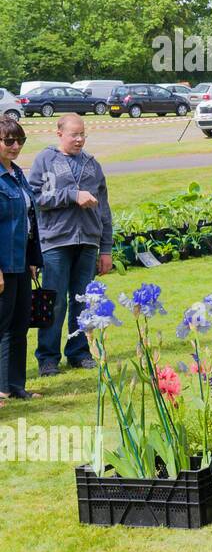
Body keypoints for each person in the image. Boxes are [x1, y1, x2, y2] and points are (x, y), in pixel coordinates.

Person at [28, 114, 112, 378]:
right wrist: (72, 196)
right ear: (59, 134)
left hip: (87, 241)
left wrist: (106, 248)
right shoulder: (46, 160)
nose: (79, 139)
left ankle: (79, 352)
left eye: (82, 134)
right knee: (54, 302)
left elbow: (105, 210)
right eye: (74, 134)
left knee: (83, 301)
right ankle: (48, 357)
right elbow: (35, 198)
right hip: (55, 241)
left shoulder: (92, 165)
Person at [0, 118, 41, 403]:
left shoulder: (17, 174)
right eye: (9, 141)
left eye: (20, 141)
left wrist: (33, 258)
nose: (16, 146)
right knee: (2, 327)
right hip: (3, 264)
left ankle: (16, 385)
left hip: (21, 261)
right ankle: (1, 388)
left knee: (20, 325)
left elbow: (29, 218)